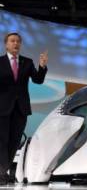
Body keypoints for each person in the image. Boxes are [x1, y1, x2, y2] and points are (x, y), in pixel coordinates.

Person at [0, 33, 48, 185]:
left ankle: (3, 171)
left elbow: (38, 80)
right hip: (2, 108)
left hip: (21, 108)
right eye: (12, 41)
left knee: (14, 141)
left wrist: (42, 66)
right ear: (6, 44)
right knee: (1, 141)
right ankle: (2, 172)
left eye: (18, 42)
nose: (16, 44)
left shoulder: (27, 62)